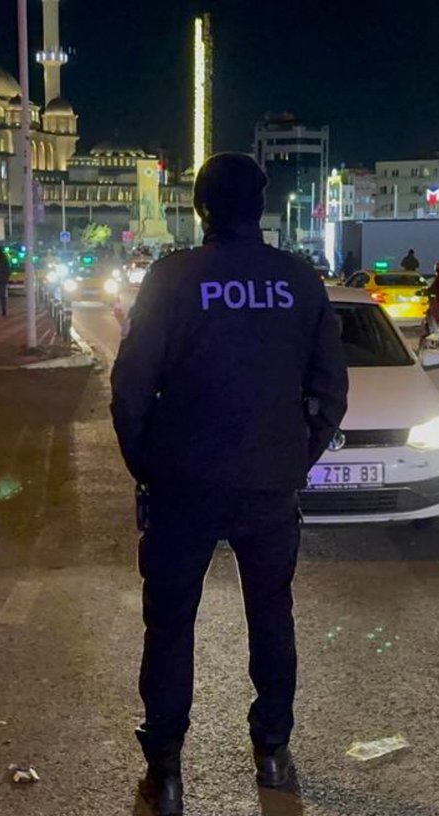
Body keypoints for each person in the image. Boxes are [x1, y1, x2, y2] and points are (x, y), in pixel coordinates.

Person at [110, 152, 348, 815]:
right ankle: (272, 749)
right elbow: (331, 388)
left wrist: (148, 466)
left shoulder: (174, 278)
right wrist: (294, 458)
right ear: (262, 207)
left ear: (200, 209)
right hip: (268, 486)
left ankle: (166, 772)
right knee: (271, 617)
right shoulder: (298, 280)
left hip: (183, 484)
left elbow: (129, 387)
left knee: (170, 626)